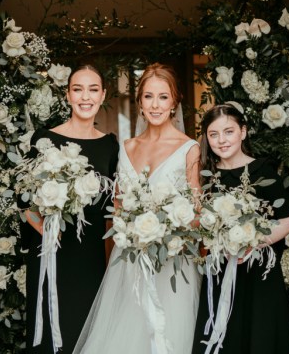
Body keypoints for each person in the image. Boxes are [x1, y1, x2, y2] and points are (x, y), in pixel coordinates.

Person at [73, 63, 202, 354]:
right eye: (148, 97)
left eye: (163, 97)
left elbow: (197, 214)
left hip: (171, 265)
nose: (155, 105)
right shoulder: (127, 147)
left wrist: (167, 231)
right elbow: (117, 205)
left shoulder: (189, 148)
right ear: (140, 102)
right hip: (130, 265)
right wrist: (130, 228)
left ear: (174, 102)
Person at [20, 65, 119, 354]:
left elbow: (114, 204)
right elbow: (23, 198)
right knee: (48, 332)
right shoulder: (44, 138)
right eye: (78, 89)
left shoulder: (110, 147)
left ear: (103, 95)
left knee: (84, 329)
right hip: (51, 251)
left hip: (88, 256)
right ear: (68, 95)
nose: (85, 97)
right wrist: (44, 225)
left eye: (92, 90)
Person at [192, 103, 289, 354]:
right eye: (213, 134)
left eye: (228, 132)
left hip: (258, 274)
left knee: (259, 336)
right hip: (220, 271)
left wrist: (255, 242)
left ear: (243, 132)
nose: (222, 140)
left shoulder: (262, 171)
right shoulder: (208, 176)